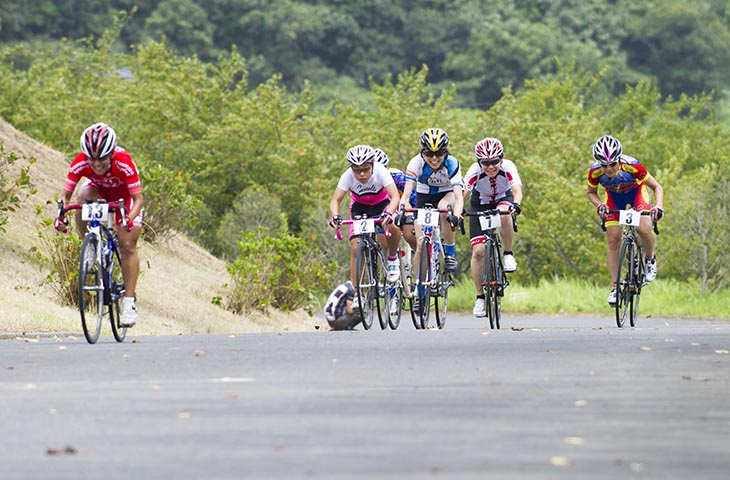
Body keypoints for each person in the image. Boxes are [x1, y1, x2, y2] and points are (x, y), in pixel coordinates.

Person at [55, 122, 144, 327]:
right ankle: (91, 244)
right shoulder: (80, 162)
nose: (96, 164)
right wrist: (61, 215)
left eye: (102, 159)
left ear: (112, 153)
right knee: (83, 196)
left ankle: (129, 303)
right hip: (99, 191)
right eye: (91, 159)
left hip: (126, 200)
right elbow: (65, 196)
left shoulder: (124, 162)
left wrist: (128, 218)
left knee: (127, 244)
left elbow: (138, 200)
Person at [587, 134, 664, 307]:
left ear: (619, 159)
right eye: (604, 165)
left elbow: (657, 187)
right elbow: (591, 193)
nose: (608, 169)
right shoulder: (594, 172)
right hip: (614, 199)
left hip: (637, 194)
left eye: (612, 164)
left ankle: (650, 258)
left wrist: (658, 207)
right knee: (613, 239)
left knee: (643, 229)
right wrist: (599, 205)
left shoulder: (632, 165)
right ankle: (615, 287)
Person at [398, 128, 464, 315]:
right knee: (421, 243)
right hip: (424, 195)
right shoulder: (416, 163)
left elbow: (459, 198)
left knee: (444, 210)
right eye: (429, 154)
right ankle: (419, 291)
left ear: (446, 152)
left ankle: (450, 252)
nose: (434, 159)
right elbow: (407, 195)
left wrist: (456, 216)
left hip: (447, 193)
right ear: (422, 152)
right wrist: (402, 209)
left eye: (439, 154)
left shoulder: (452, 163)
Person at [329, 145, 402, 300]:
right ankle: (357, 295)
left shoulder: (381, 171)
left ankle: (392, 259)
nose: (361, 174)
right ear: (351, 168)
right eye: (356, 170)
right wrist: (335, 216)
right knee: (356, 247)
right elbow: (335, 200)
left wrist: (389, 213)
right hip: (360, 208)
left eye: (366, 169)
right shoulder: (347, 176)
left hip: (382, 204)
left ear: (373, 165)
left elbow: (394, 197)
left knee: (393, 226)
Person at [463, 137, 523, 317]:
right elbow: (463, 193)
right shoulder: (474, 171)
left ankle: (508, 254)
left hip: (502, 200)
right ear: (479, 162)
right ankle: (480, 297)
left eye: (495, 161)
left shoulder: (509, 167)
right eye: (485, 163)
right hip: (480, 204)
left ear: (501, 159)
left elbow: (517, 190)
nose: (490, 167)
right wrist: (457, 212)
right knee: (479, 251)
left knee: (504, 213)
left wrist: (517, 205)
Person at [373, 148, 417, 251]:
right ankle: (390, 262)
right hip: (383, 211)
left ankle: (422, 258)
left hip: (402, 208)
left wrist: (417, 215)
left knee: (409, 235)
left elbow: (412, 196)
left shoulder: (396, 176)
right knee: (385, 246)